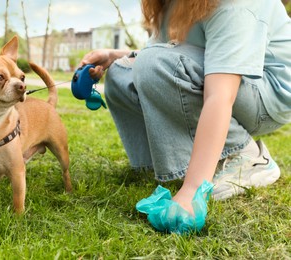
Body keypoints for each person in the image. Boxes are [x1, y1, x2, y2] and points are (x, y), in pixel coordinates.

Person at [79, 0, 291, 225]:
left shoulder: (235, 4)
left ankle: (245, 155)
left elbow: (219, 95)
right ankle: (171, 164)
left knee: (152, 64)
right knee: (122, 71)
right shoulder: (173, 3)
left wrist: (192, 190)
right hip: (225, 77)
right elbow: (167, 52)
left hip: (267, 94)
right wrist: (114, 55)